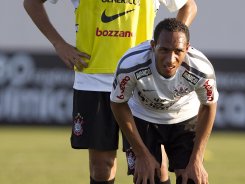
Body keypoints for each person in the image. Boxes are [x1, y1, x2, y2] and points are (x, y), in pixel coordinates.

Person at [23, 0, 198, 184]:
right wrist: (58, 43)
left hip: (140, 82)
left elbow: (189, 6)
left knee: (154, 166)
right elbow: (31, 3)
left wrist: (167, 45)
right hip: (93, 82)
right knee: (102, 166)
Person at [110, 18, 218, 184]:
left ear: (187, 49)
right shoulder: (131, 64)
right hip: (143, 116)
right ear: (153, 46)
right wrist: (141, 154)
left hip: (184, 116)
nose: (170, 59)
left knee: (191, 178)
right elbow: (118, 103)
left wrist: (197, 159)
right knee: (148, 178)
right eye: (164, 50)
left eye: (178, 51)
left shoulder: (201, 69)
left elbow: (209, 106)